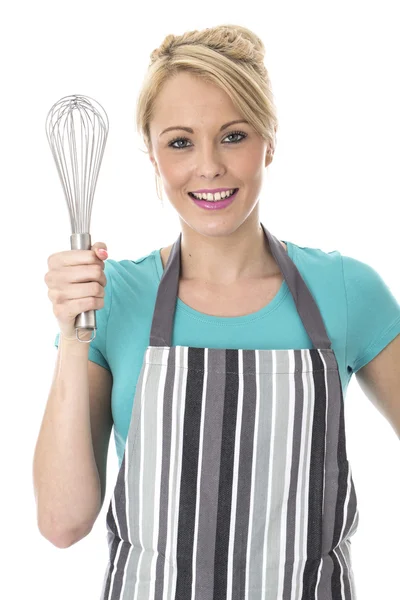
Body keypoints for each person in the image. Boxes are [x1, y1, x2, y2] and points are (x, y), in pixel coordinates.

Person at [34, 24, 400, 599]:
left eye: (233, 135)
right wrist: (72, 334)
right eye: (180, 142)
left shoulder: (347, 289)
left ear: (269, 142)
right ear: (152, 155)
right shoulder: (116, 297)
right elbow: (62, 523)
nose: (208, 167)